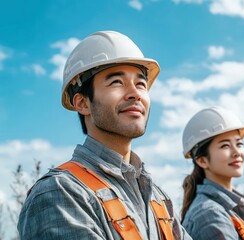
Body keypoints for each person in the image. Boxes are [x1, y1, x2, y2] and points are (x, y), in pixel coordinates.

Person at [17, 30, 191, 240]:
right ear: (82, 103)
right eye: (116, 82)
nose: (135, 93)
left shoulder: (158, 200)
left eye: (141, 84)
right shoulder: (61, 193)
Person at [181, 106, 244, 240]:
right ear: (202, 161)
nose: (237, 152)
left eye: (239, 144)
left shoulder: (229, 209)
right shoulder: (209, 215)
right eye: (225, 145)